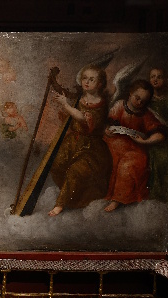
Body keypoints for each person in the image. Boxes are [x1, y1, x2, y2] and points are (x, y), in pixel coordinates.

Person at [48, 65, 113, 216]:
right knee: (56, 165)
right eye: (84, 78)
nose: (87, 82)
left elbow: (84, 119)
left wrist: (65, 104)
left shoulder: (101, 103)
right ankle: (72, 196)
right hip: (73, 142)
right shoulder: (79, 99)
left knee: (75, 171)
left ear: (100, 84)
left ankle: (60, 204)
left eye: (92, 79)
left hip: (91, 148)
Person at [103, 79, 166, 212]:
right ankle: (104, 194)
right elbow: (108, 124)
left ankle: (117, 199)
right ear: (131, 93)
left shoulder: (146, 114)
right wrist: (108, 130)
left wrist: (145, 142)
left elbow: (160, 135)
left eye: (143, 101)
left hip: (135, 149)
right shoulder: (120, 105)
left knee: (127, 165)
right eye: (137, 98)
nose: (139, 103)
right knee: (107, 158)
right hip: (114, 143)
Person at [147, 67, 168, 202]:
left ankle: (164, 196)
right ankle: (153, 196)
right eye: (153, 77)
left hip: (167, 139)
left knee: (163, 158)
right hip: (149, 137)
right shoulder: (147, 98)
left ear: (166, 79)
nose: (155, 79)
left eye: (159, 77)